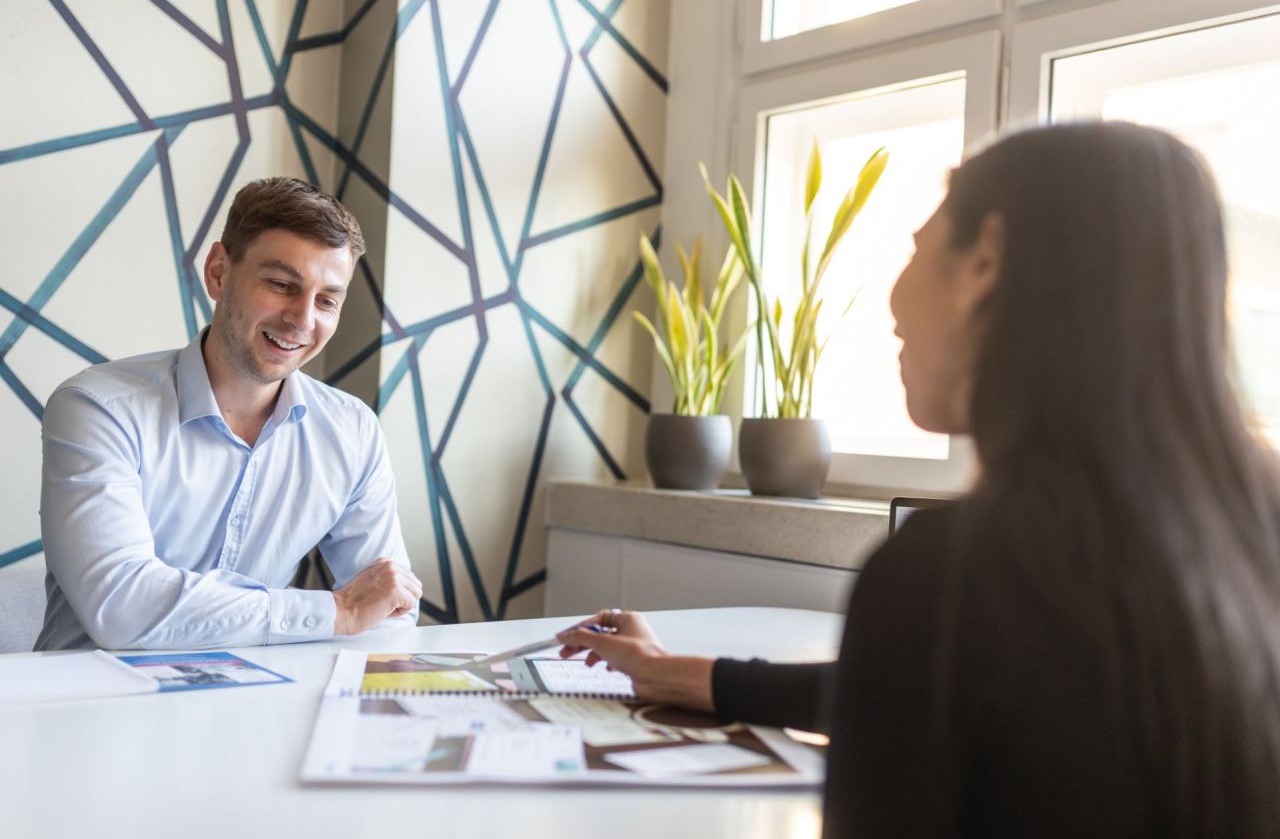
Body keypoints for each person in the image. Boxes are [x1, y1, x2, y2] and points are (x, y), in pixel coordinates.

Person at [558, 123, 1280, 836]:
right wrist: (678, 673)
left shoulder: (952, 573)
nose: (894, 303)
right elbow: (950, 695)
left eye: (916, 246)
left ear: (985, 261)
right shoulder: (1247, 529)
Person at [36, 177, 423, 652]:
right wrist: (336, 611)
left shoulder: (352, 430)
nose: (302, 320)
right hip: (87, 709)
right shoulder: (98, 409)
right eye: (281, 285)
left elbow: (389, 610)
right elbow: (122, 606)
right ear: (219, 272)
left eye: (326, 301)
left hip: (256, 707)